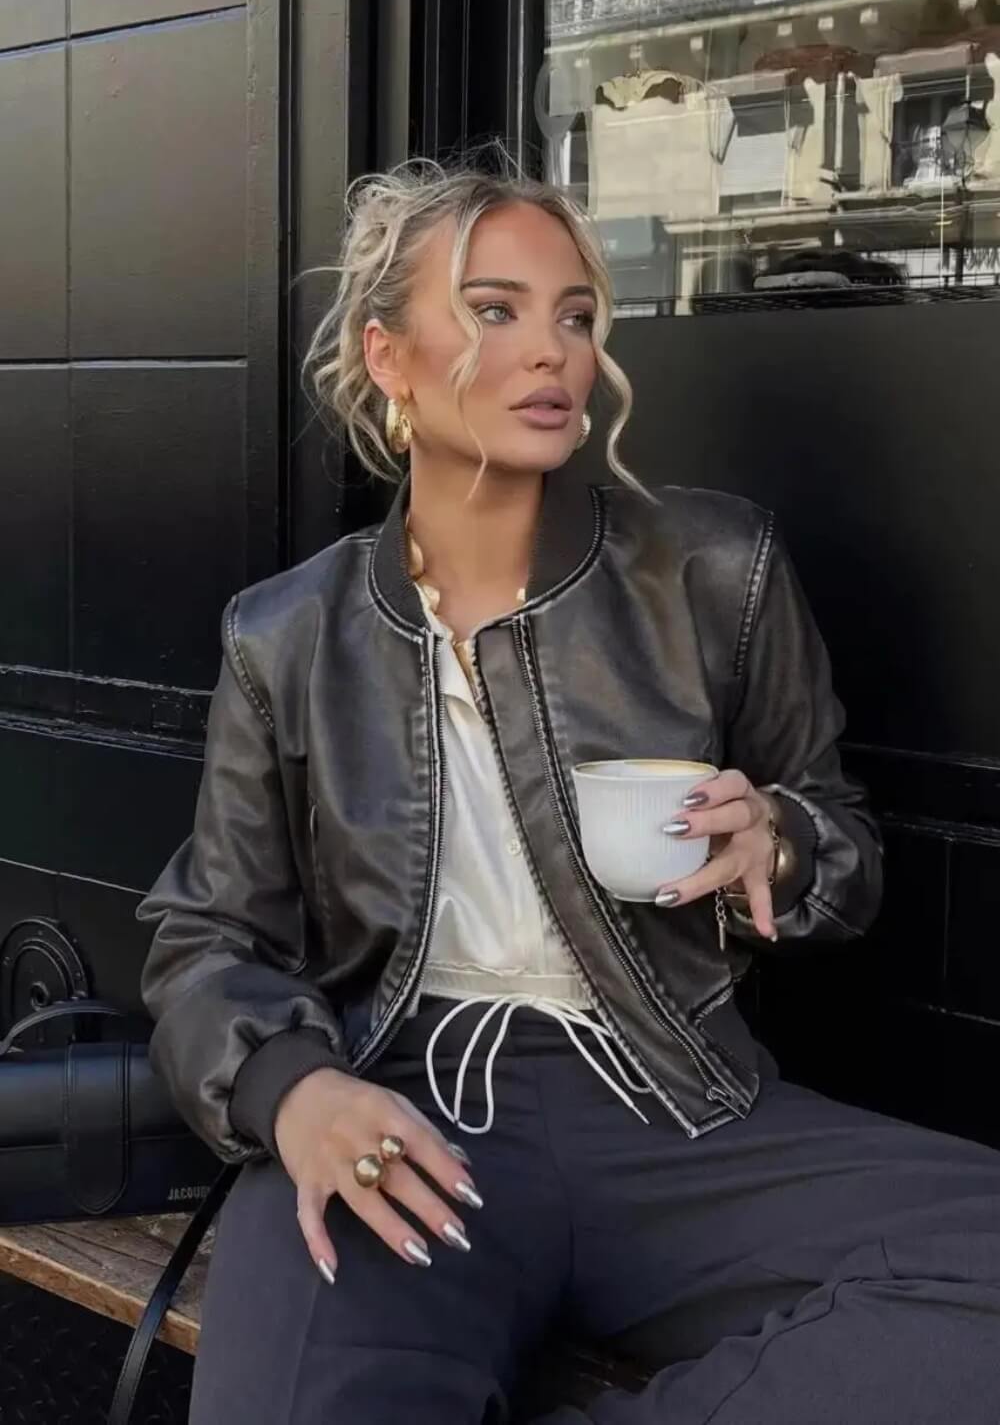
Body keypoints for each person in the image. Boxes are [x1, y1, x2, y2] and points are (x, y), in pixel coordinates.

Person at [139, 159, 1000, 1425]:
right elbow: (206, 938)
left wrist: (781, 845)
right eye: (494, 309)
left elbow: (847, 848)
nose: (554, 350)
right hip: (403, 1108)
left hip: (675, 1099)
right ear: (388, 356)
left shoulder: (713, 569)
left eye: (577, 314)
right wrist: (295, 1094)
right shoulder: (288, 634)